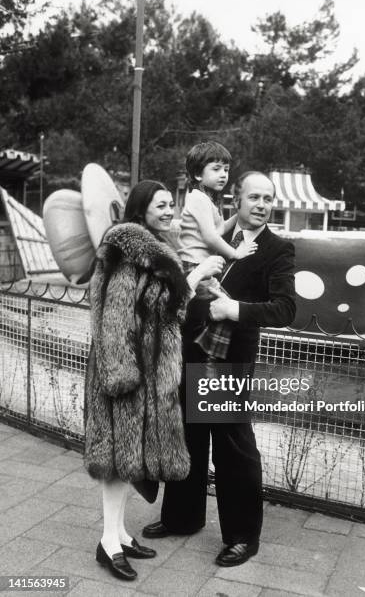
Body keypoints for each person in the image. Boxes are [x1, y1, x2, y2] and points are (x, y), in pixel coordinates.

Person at [142, 171, 296, 567]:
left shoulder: (277, 249)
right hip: (191, 350)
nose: (261, 204)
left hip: (227, 360)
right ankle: (182, 518)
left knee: (232, 451)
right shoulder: (212, 241)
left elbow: (285, 309)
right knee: (189, 439)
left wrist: (234, 308)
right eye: (254, 197)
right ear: (237, 202)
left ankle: (243, 536)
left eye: (268, 198)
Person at [84, 180, 225, 581]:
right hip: (125, 373)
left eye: (172, 205)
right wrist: (119, 375)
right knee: (115, 461)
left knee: (127, 460)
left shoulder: (152, 250)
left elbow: (165, 311)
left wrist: (190, 279)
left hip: (144, 372)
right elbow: (113, 317)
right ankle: (108, 544)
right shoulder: (127, 249)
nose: (169, 211)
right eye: (160, 205)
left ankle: (120, 534)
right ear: (141, 208)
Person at [178, 141, 258, 361]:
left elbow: (220, 228)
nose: (223, 174)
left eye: (226, 169)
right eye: (216, 169)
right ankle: (207, 350)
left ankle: (206, 350)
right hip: (194, 266)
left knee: (223, 309)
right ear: (197, 174)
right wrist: (236, 253)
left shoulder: (209, 200)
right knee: (228, 309)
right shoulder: (198, 198)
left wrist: (240, 215)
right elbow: (211, 237)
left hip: (202, 267)